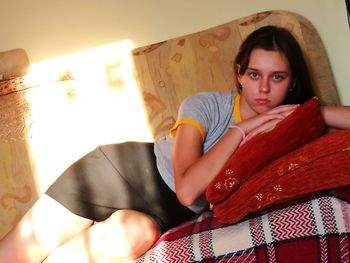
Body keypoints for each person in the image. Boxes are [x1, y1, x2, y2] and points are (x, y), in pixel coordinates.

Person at [0, 25, 349, 262]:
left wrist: (312, 112)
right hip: (117, 172)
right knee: (13, 255)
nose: (263, 89)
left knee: (137, 234)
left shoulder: (286, 126)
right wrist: (244, 129)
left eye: (278, 77)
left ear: (291, 83)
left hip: (156, 215)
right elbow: (187, 190)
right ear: (239, 74)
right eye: (254, 75)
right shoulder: (204, 105)